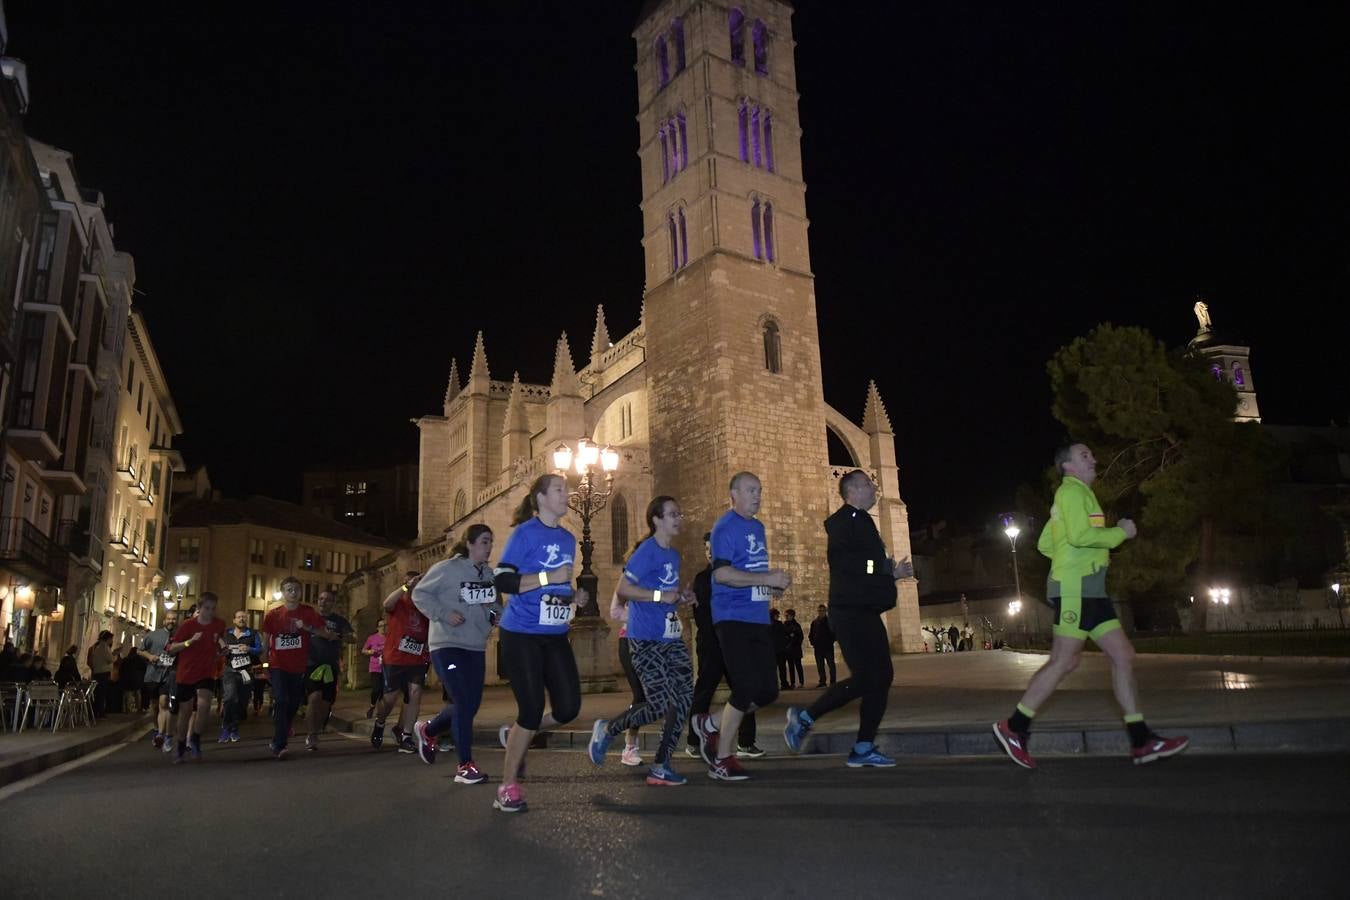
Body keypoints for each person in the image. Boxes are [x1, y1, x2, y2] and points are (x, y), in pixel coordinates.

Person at [993, 444, 1189, 768]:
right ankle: (1014, 727)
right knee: (1064, 661)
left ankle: (1141, 740)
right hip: (1075, 590)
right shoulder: (1071, 494)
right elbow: (1082, 535)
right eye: (1085, 456)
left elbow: (1046, 543)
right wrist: (1119, 534)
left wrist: (1071, 558)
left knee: (1123, 655)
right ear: (1067, 465)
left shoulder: (1077, 496)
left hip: (1090, 590)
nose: (1094, 459)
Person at [784, 469, 913, 767]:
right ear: (853, 491)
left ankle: (863, 747)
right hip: (851, 612)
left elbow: (861, 565)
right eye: (869, 484)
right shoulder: (847, 521)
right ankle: (805, 718)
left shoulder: (860, 521)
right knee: (871, 677)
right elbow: (850, 563)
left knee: (880, 678)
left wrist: (887, 572)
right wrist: (883, 569)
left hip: (863, 610)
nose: (875, 488)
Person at [491, 473, 590, 812]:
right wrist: (550, 577)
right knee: (531, 709)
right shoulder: (524, 534)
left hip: (555, 634)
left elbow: (558, 587)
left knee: (568, 709)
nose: (567, 494)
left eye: (566, 489)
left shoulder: (567, 538)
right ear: (541, 498)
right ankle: (507, 787)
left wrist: (573, 595)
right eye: (559, 490)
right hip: (521, 634)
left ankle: (519, 734)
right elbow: (503, 579)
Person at [588, 496, 697, 786]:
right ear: (656, 519)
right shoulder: (647, 551)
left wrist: (682, 598)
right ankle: (608, 730)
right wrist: (662, 596)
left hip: (669, 638)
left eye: (679, 513)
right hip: (644, 638)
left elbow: (666, 595)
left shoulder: (673, 555)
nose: (679, 518)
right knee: (658, 704)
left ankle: (661, 764)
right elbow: (624, 588)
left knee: (685, 697)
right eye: (673, 514)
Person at [691, 472, 791, 782]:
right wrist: (766, 579)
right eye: (750, 490)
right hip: (731, 617)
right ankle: (722, 759)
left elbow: (752, 570)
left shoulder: (758, 527)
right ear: (733, 493)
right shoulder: (725, 527)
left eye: (759, 490)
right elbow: (721, 575)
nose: (757, 495)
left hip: (758, 617)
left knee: (768, 691)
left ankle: (709, 724)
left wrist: (772, 587)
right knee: (745, 685)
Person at [412, 523, 502, 784]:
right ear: (470, 543)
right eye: (485, 541)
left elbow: (496, 609)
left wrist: (494, 614)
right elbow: (420, 594)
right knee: (463, 700)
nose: (489, 547)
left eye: (491, 542)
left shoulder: (490, 576)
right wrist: (443, 614)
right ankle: (465, 765)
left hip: (474, 646)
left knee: (469, 705)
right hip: (447, 646)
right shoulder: (447, 569)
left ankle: (428, 730)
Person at [685, 532, 760, 759]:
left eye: (713, 548)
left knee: (744, 690)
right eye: (706, 548)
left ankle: (746, 743)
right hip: (711, 644)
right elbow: (703, 616)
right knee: (704, 691)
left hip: (732, 643)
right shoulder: (701, 579)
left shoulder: (734, 577)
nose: (709, 552)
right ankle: (694, 742)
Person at [262, 577, 334, 759]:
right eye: (289, 589)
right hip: (278, 664)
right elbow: (265, 643)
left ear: (301, 592)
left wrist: (307, 627)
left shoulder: (308, 612)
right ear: (283, 592)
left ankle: (278, 736)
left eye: (296, 589)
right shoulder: (273, 615)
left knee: (293, 703)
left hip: (299, 666)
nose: (293, 592)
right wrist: (264, 665)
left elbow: (326, 634)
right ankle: (280, 745)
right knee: (281, 700)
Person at [371, 570, 429, 753]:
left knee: (415, 692)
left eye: (415, 582)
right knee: (389, 699)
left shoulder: (425, 604)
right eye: (408, 583)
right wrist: (406, 586)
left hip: (417, 657)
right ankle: (380, 722)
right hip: (394, 657)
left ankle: (406, 735)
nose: (412, 585)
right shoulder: (399, 602)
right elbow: (386, 604)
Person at [167, 593, 228, 763]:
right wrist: (189, 642)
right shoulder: (188, 626)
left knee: (204, 704)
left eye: (213, 608)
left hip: (206, 672)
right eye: (207, 608)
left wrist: (223, 650)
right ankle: (180, 745)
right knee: (185, 712)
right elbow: (172, 649)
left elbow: (219, 641)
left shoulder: (219, 624)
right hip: (186, 673)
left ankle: (195, 738)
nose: (210, 612)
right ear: (199, 608)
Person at [304, 590, 354, 751]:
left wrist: (337, 636)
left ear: (333, 603)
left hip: (330, 666)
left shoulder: (339, 621)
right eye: (320, 598)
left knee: (326, 703)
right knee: (314, 697)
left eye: (327, 600)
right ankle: (311, 734)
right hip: (312, 664)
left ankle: (316, 730)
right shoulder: (309, 618)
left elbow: (352, 637)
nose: (323, 602)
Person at [609, 585, 647, 767]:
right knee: (641, 696)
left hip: (656, 642)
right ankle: (628, 745)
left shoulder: (662, 577)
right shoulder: (631, 579)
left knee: (659, 697)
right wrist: (643, 618)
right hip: (631, 640)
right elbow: (615, 611)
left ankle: (665, 751)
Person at [219, 610, 262, 742]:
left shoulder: (253, 634)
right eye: (239, 617)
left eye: (244, 617)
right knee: (230, 698)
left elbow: (260, 650)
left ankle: (234, 727)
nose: (241, 619)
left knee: (242, 701)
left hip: (246, 672)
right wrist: (223, 651)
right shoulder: (227, 633)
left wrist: (250, 649)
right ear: (234, 620)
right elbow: (220, 649)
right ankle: (226, 727)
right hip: (230, 670)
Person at [139, 611, 179, 751]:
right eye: (169, 619)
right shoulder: (153, 635)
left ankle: (162, 734)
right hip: (153, 675)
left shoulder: (179, 636)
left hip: (169, 675)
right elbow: (140, 650)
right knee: (155, 705)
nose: (171, 621)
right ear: (164, 621)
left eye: (174, 619)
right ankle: (157, 728)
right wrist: (150, 656)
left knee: (164, 702)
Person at [361, 620, 386, 717]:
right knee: (376, 689)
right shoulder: (372, 638)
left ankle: (380, 712)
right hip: (375, 667)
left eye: (384, 625)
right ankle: (372, 706)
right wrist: (370, 651)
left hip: (386, 668)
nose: (383, 627)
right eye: (381, 626)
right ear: (377, 628)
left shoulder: (389, 638)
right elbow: (363, 650)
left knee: (384, 691)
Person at [88, 631, 115, 718]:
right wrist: (114, 655)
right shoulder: (104, 647)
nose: (112, 641)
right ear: (108, 639)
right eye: (111, 639)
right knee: (101, 694)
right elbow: (110, 659)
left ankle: (97, 712)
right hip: (102, 673)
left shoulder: (97, 646)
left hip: (97, 672)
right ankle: (100, 712)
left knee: (98, 693)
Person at [808, 605, 836, 687]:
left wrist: (830, 641)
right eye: (819, 610)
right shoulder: (815, 622)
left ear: (825, 611)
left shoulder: (829, 621)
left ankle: (833, 681)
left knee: (831, 665)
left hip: (828, 647)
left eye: (823, 610)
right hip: (818, 648)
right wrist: (813, 642)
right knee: (820, 666)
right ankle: (822, 681)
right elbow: (811, 634)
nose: (821, 612)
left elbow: (834, 633)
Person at [785, 609, 805, 688]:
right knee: (791, 667)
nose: (786, 617)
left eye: (787, 615)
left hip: (795, 649)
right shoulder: (785, 625)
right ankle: (792, 683)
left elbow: (800, 637)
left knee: (798, 666)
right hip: (789, 650)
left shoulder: (796, 625)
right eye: (785, 616)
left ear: (792, 616)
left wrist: (793, 639)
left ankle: (801, 682)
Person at [770, 608, 790, 690]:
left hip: (771, 650)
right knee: (782, 669)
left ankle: (773, 685)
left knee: (773, 670)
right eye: (777, 615)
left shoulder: (766, 625)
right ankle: (784, 684)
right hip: (780, 650)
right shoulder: (779, 625)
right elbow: (786, 634)